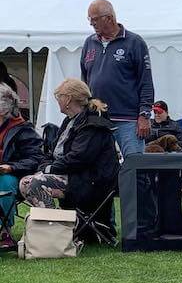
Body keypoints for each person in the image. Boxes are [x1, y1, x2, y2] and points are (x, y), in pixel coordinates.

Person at [19, 79, 118, 215]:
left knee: (31, 184)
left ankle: (54, 225)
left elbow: (79, 157)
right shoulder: (70, 121)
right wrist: (44, 167)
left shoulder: (93, 125)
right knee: (28, 182)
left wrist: (49, 169)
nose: (57, 101)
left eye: (59, 97)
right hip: (71, 175)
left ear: (68, 99)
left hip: (89, 181)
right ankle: (56, 223)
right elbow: (51, 152)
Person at [81, 0, 154, 157]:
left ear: (109, 18)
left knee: (134, 167)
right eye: (89, 19)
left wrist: (144, 115)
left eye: (94, 19)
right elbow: (84, 81)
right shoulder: (89, 43)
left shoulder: (134, 42)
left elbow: (146, 82)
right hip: (97, 120)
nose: (91, 24)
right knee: (97, 169)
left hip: (127, 120)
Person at [0, 84, 44, 249]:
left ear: (3, 111)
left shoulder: (23, 130)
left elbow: (36, 158)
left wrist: (10, 167)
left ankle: (4, 230)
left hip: (13, 176)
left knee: (4, 181)